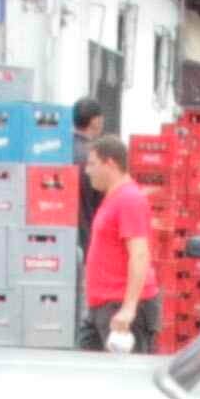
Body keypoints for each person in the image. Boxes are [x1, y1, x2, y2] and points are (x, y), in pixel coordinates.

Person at [78, 131, 156, 351]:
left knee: (123, 378)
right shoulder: (113, 198)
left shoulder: (129, 199)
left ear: (110, 163)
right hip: (101, 307)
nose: (87, 171)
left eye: (92, 164)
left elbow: (139, 254)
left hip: (120, 308)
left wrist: (129, 308)